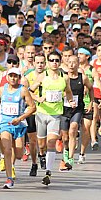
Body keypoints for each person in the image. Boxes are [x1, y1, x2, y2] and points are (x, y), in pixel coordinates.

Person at [30, 50, 74, 186]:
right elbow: (30, 91)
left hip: (55, 115)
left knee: (52, 142)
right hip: (42, 113)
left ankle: (48, 171)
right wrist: (38, 98)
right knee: (41, 145)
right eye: (52, 60)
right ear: (48, 63)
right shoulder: (43, 76)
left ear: (60, 62)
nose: (54, 63)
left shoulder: (64, 77)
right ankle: (41, 156)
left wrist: (71, 101)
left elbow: (68, 91)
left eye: (57, 60)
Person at [0, 67, 37, 189]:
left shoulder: (23, 91)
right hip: (5, 123)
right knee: (7, 150)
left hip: (18, 124)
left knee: (18, 154)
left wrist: (20, 118)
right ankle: (9, 178)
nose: (13, 78)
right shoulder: (2, 89)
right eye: (11, 76)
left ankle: (10, 158)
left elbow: (33, 107)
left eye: (15, 76)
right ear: (7, 77)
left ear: (19, 78)